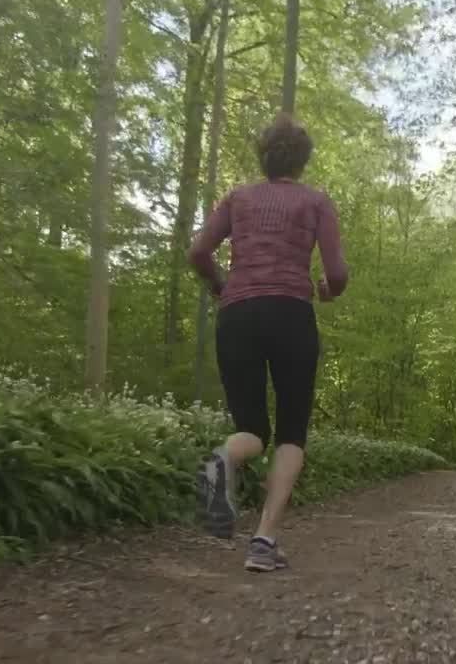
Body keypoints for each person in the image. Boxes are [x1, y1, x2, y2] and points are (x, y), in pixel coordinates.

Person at [186, 113, 349, 572]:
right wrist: (326, 290)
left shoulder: (237, 198)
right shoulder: (316, 202)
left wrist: (222, 286)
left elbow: (198, 252)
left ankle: (223, 458)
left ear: (264, 157)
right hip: (291, 313)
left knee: (252, 431)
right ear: (303, 161)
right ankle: (263, 541)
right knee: (291, 431)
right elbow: (336, 273)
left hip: (238, 313)